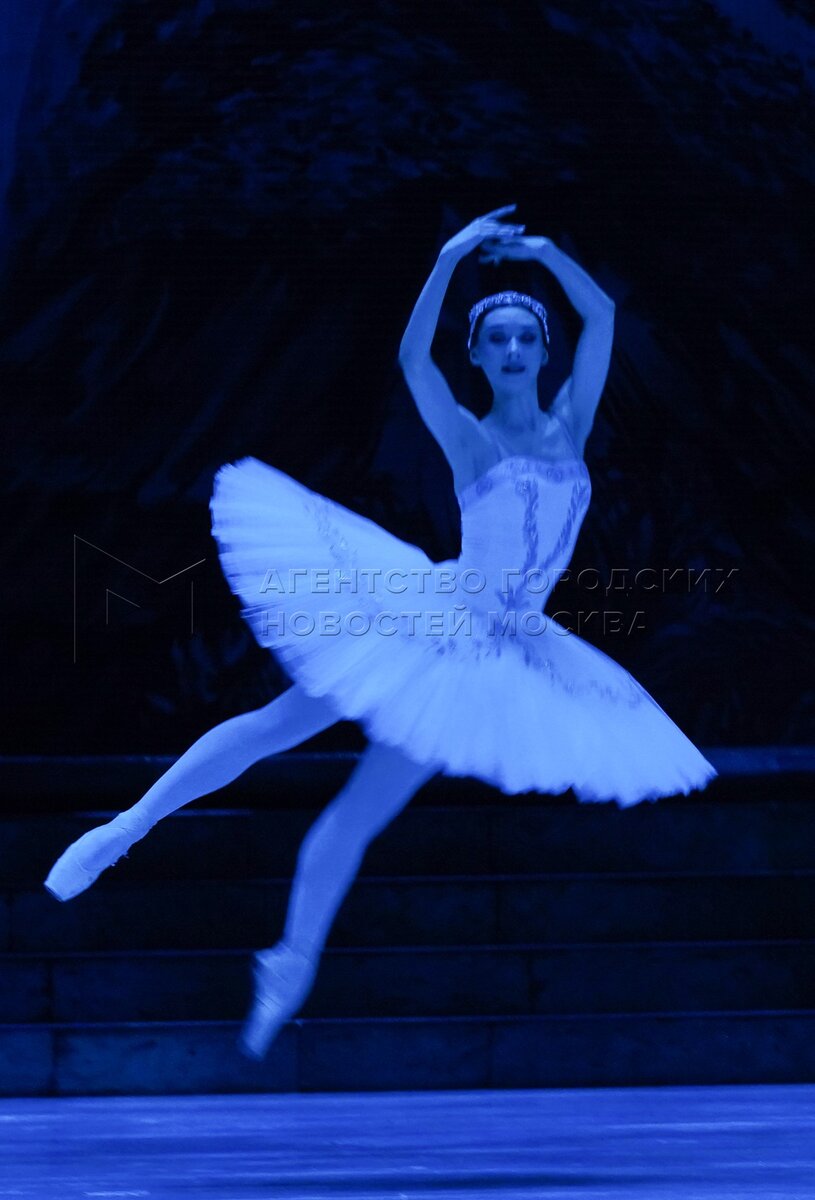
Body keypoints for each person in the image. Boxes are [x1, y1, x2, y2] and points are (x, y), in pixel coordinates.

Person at [44, 204, 716, 1060]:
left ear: (544, 351)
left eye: (525, 338)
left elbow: (603, 314)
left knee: (357, 813)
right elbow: (411, 360)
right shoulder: (471, 439)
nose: (513, 350)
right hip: (436, 621)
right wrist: (448, 259)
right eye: (497, 340)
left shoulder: (571, 424)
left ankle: (289, 963)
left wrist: (548, 253)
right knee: (279, 725)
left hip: (505, 650)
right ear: (478, 355)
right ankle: (128, 826)